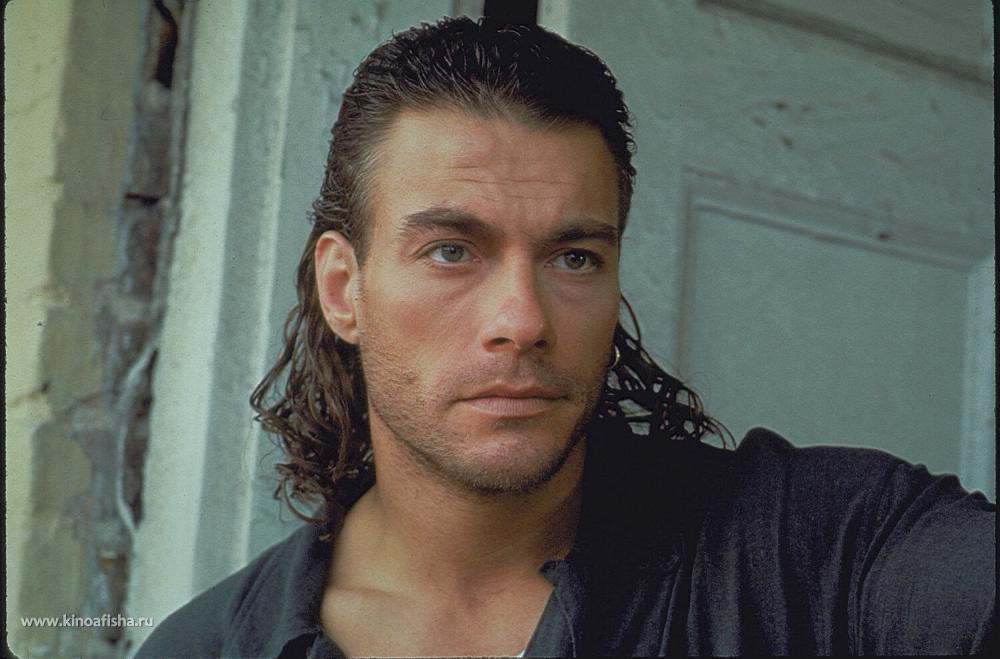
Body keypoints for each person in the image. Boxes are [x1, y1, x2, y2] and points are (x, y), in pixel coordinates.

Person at [138, 16, 995, 657]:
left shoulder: (818, 550)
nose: (522, 320)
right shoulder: (206, 647)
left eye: (574, 256)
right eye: (451, 250)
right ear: (343, 289)